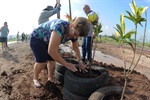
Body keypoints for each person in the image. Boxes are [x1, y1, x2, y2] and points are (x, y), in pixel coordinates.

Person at [30, 17, 90, 88]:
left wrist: (80, 61)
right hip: (37, 38)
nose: (74, 37)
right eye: (74, 34)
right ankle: (35, 78)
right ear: (71, 25)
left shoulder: (74, 32)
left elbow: (75, 48)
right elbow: (52, 51)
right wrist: (66, 64)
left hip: (48, 40)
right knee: (42, 61)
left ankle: (51, 78)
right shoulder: (59, 27)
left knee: (52, 62)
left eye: (77, 36)